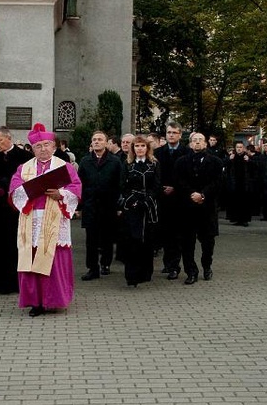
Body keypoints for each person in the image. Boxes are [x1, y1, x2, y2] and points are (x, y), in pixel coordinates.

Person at [9, 123, 82, 317]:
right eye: (38, 146)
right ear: (32, 149)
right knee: (32, 259)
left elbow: (76, 187)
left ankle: (54, 300)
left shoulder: (64, 167)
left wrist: (61, 194)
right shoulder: (23, 168)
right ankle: (36, 302)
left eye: (47, 145)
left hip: (55, 217)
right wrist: (28, 190)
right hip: (32, 217)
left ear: (54, 146)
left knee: (54, 258)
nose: (43, 149)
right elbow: (14, 190)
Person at [0, 126, 34, 294]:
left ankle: (17, 282)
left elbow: (27, 178)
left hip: (16, 208)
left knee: (16, 244)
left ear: (8, 138)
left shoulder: (24, 156)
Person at [175, 132, 223, 284]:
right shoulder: (181, 162)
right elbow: (179, 181)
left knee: (208, 241)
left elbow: (219, 182)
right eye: (194, 140)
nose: (197, 143)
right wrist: (191, 194)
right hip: (187, 208)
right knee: (187, 242)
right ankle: (191, 271)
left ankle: (206, 265)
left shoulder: (215, 162)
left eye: (200, 140)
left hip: (207, 207)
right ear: (189, 144)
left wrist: (203, 195)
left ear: (206, 143)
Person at [77, 130, 122, 280]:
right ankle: (92, 268)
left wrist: (119, 206)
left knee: (107, 237)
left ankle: (105, 264)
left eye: (100, 139)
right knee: (91, 239)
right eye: (94, 139)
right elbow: (79, 184)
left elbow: (119, 184)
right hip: (90, 205)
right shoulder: (85, 161)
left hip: (108, 205)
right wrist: (79, 206)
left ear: (106, 142)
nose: (97, 142)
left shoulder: (115, 161)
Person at [118, 135, 160, 287]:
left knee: (147, 239)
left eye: (143, 146)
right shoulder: (127, 164)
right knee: (132, 239)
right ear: (133, 149)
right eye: (137, 146)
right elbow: (123, 186)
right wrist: (133, 201)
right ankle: (132, 275)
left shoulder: (154, 164)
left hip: (148, 206)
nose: (140, 149)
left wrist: (147, 200)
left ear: (147, 148)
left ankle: (145, 273)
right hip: (132, 206)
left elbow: (156, 185)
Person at [155, 121, 192, 280]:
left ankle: (174, 266)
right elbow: (154, 173)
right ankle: (167, 263)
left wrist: (175, 187)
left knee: (176, 234)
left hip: (179, 198)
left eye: (174, 133)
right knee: (164, 232)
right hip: (162, 197)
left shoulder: (186, 152)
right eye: (169, 132)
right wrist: (160, 187)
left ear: (180, 135)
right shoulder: (157, 152)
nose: (171, 135)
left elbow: (189, 175)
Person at [226, 140, 254, 226]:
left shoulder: (247, 157)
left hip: (245, 183)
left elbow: (255, 167)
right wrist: (229, 159)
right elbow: (225, 167)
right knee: (235, 201)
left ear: (244, 148)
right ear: (235, 148)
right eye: (237, 147)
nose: (239, 149)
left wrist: (249, 160)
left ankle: (244, 220)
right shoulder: (232, 157)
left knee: (244, 202)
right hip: (235, 183)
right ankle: (237, 219)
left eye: (240, 147)